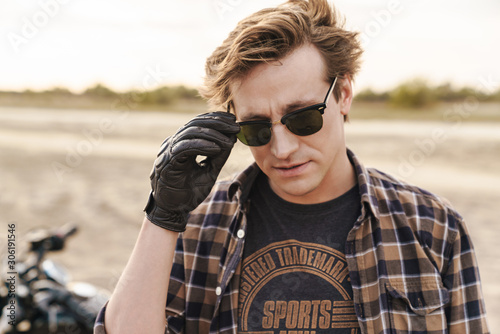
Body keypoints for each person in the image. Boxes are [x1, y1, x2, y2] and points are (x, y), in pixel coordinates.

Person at [94, 0, 489, 333]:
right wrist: (162, 216)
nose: (282, 148)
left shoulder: (433, 226)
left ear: (344, 94)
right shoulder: (197, 225)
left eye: (302, 118)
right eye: (255, 128)